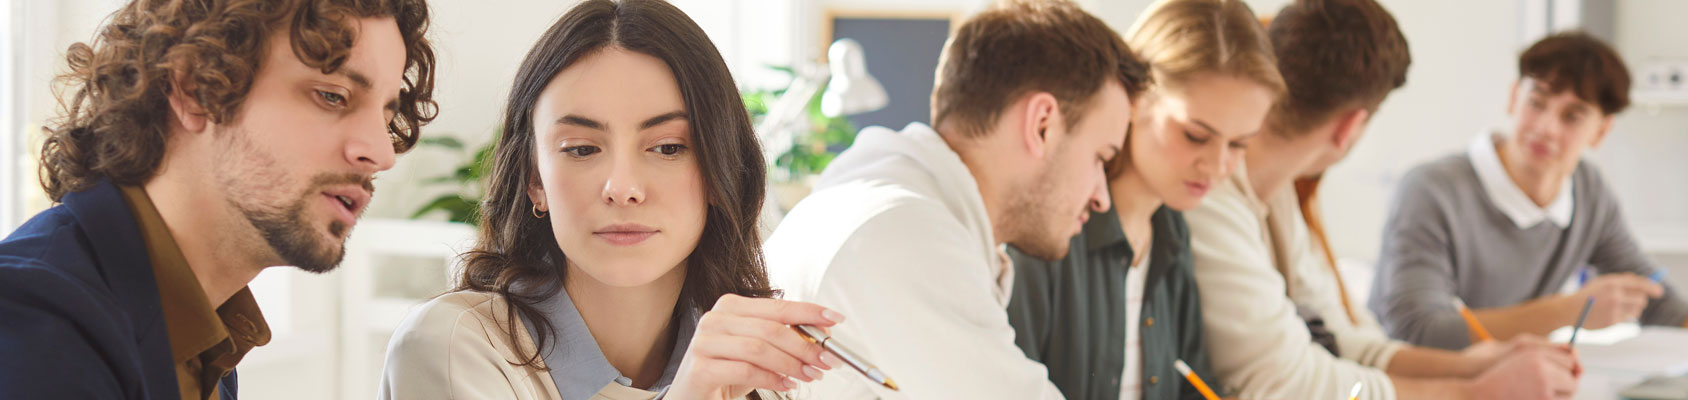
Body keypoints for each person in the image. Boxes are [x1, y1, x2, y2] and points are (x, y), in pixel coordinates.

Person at [0, 0, 437, 398]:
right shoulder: (20, 329)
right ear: (195, 90)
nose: (381, 152)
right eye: (333, 96)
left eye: (387, 112)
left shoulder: (201, 333)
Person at [378, 1, 838, 399]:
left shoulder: (753, 366)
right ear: (534, 181)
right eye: (581, 149)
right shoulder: (455, 348)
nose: (622, 187)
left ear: (719, 173)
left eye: (668, 148)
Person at [1183, 0, 1583, 399]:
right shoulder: (1209, 197)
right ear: (1350, 126)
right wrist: (1472, 392)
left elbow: (1337, 340)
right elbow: (1288, 384)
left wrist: (1478, 364)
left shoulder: (1279, 192)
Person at [762, 1, 1148, 398]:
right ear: (1042, 125)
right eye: (1101, 158)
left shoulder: (879, 198)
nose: (1102, 197)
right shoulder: (902, 233)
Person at [1004, 1, 1278, 398]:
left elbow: (1194, 382)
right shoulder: (1044, 230)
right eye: (1195, 136)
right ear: (1134, 100)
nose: (1218, 166)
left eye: (1239, 144)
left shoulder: (1173, 234)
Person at [1370, 31, 1688, 350]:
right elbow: (1418, 330)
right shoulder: (1431, 191)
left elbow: (1656, 299)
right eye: (1536, 103)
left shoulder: (1588, 190)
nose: (1546, 128)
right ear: (1513, 97)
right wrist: (1570, 310)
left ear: (1601, 131)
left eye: (1572, 116)